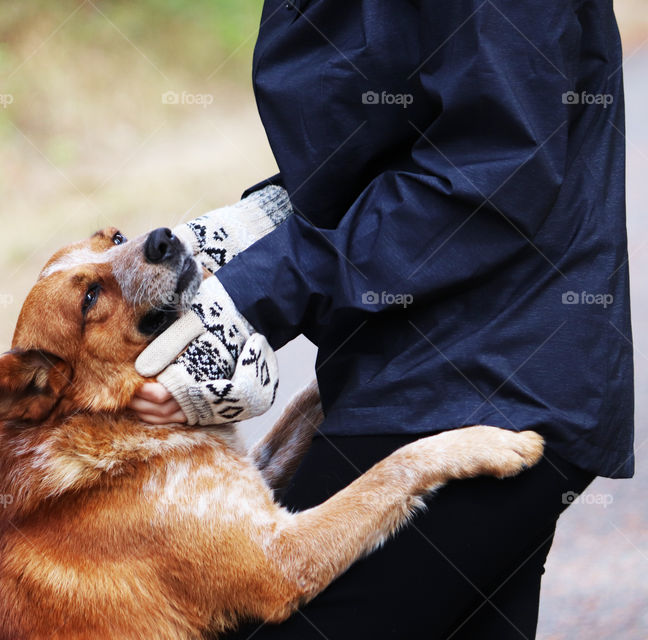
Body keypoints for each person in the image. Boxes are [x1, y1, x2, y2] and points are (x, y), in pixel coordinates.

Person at [129, 1, 634, 638]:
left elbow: (492, 174)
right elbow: (382, 140)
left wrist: (246, 297)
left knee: (244, 616)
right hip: (407, 370)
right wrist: (235, 238)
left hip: (490, 371)